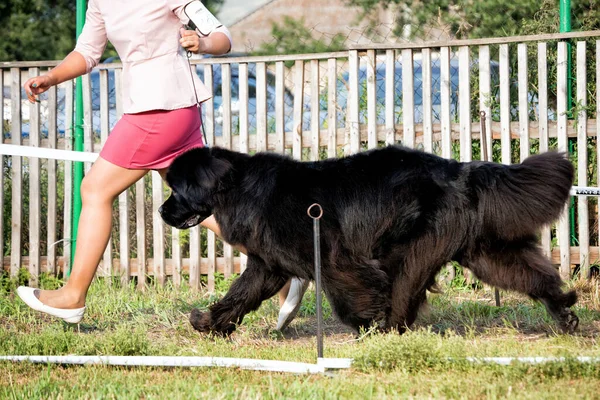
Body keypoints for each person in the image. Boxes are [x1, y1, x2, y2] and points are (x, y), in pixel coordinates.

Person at [16, 0, 306, 330]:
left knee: (95, 189)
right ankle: (286, 262)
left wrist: (203, 43)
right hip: (163, 108)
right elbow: (86, 52)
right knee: (201, 208)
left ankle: (73, 295)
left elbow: (222, 36)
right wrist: (51, 78)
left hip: (159, 109)